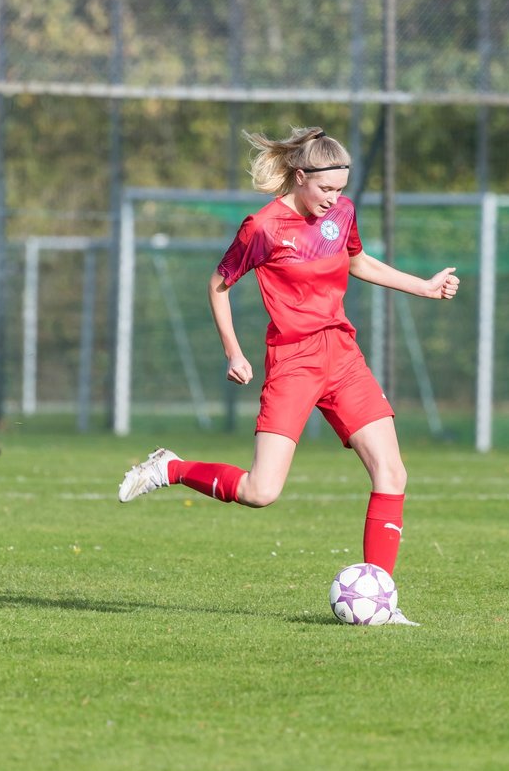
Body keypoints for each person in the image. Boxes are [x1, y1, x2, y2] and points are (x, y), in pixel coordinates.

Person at [117, 126, 459, 625]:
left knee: (392, 472)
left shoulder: (341, 214)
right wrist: (233, 352)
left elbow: (357, 261)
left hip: (342, 355)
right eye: (325, 189)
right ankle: (170, 468)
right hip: (293, 361)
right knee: (261, 492)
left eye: (341, 189)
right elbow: (217, 286)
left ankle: (383, 603)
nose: (334, 199)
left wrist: (423, 288)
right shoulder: (262, 227)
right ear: (299, 177)